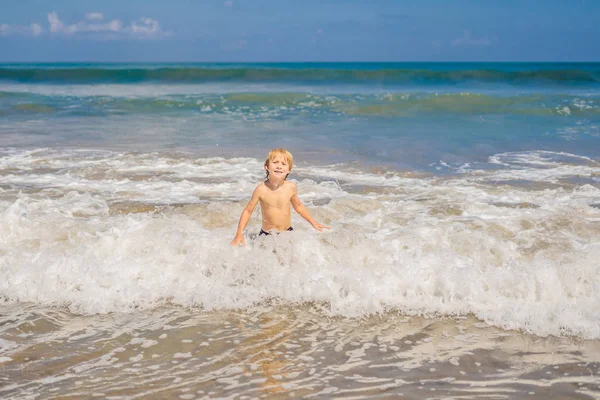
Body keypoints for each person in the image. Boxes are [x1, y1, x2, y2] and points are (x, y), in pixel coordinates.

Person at [231, 148, 329, 246]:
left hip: (287, 232)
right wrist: (239, 233)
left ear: (289, 170)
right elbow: (248, 211)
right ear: (266, 166)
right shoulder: (261, 189)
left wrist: (313, 222)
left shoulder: (291, 187)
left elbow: (298, 206)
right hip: (267, 235)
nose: (279, 166)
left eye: (283, 164)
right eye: (275, 162)